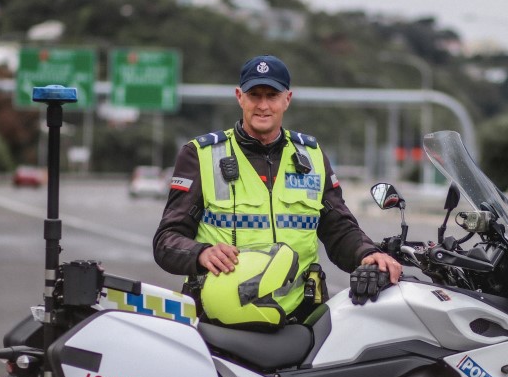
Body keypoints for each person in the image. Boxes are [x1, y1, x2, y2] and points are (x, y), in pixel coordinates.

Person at [153, 54, 401, 324]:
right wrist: (201, 253)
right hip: (221, 317)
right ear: (239, 97)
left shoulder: (312, 155)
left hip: (300, 318)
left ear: (287, 99)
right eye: (254, 95)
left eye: (272, 95)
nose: (262, 105)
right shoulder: (200, 154)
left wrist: (369, 254)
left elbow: (339, 228)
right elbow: (167, 241)